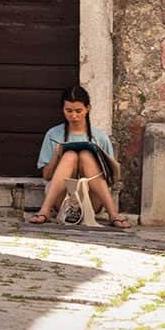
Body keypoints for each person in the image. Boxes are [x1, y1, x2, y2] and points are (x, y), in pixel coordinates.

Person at [29, 84, 129, 228]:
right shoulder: (53, 135)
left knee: (86, 155)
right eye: (68, 111)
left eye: (78, 111)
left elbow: (111, 178)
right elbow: (46, 175)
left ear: (87, 109)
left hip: (91, 199)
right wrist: (57, 155)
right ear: (63, 109)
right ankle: (45, 211)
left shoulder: (100, 138)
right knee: (69, 155)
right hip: (62, 200)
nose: (73, 116)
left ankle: (113, 213)